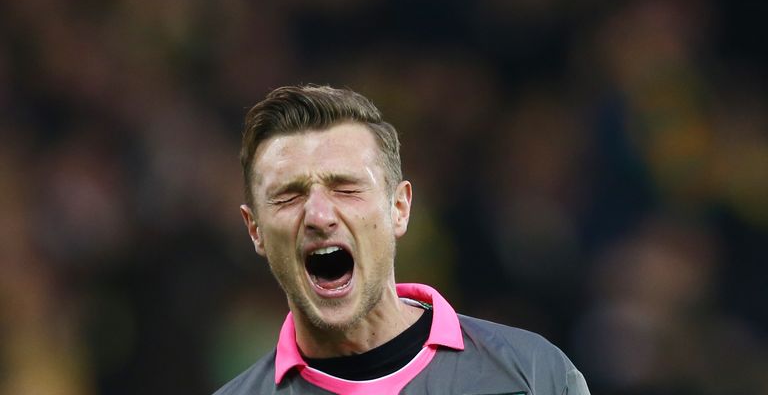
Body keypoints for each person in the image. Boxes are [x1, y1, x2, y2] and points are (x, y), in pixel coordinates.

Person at [214, 85, 590, 394]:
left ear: (400, 208)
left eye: (345, 188)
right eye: (289, 196)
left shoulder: (534, 373)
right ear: (255, 230)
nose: (319, 216)